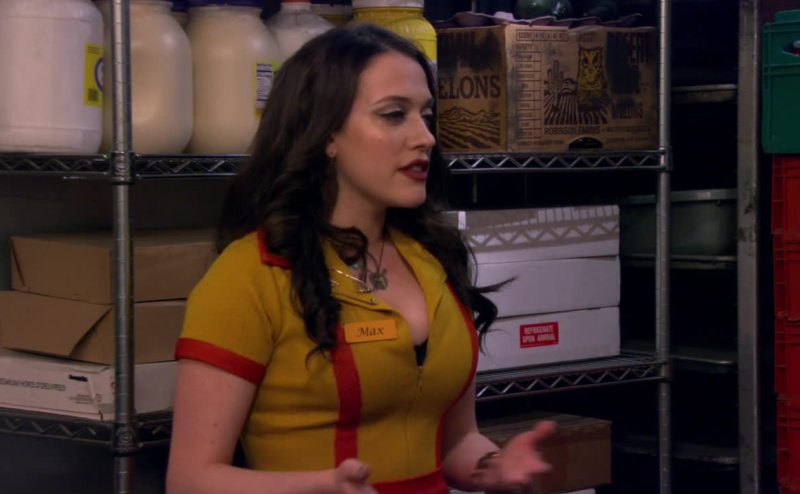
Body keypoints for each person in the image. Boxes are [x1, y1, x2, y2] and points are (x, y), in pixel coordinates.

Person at [166, 23, 555, 494]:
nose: (425, 137)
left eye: (426, 116)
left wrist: (495, 467)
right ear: (326, 134)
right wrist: (318, 488)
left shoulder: (434, 258)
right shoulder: (249, 275)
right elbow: (190, 480)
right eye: (394, 115)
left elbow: (456, 441)